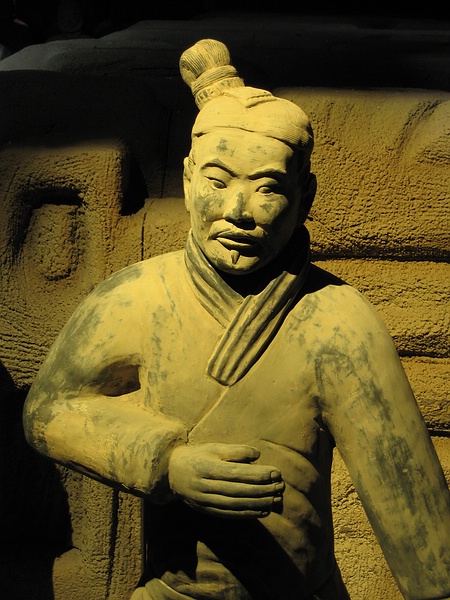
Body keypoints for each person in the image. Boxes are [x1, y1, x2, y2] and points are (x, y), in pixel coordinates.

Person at [23, 39, 450, 600]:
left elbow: (418, 525)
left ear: (305, 196)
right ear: (187, 180)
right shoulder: (136, 296)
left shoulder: (338, 320)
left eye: (267, 188)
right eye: (218, 182)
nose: (237, 212)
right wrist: (165, 461)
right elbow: (49, 410)